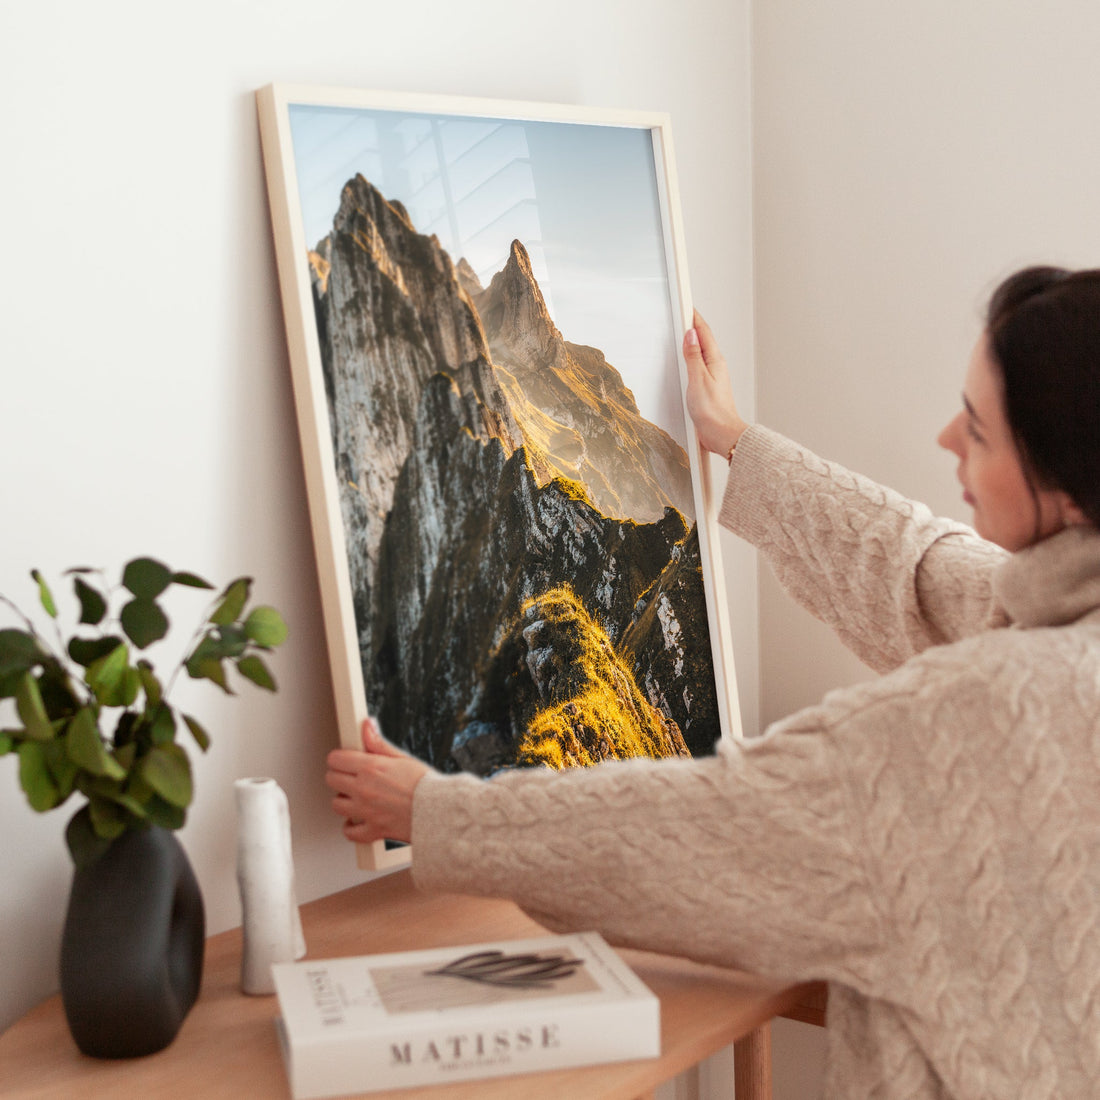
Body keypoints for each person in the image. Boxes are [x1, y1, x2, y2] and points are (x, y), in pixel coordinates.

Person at [326, 266, 1100, 1099]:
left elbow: (706, 828)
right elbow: (918, 568)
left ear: (1064, 488)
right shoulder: (1062, 622)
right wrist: (735, 440)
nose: (948, 437)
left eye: (980, 432)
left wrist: (434, 812)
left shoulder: (977, 718)